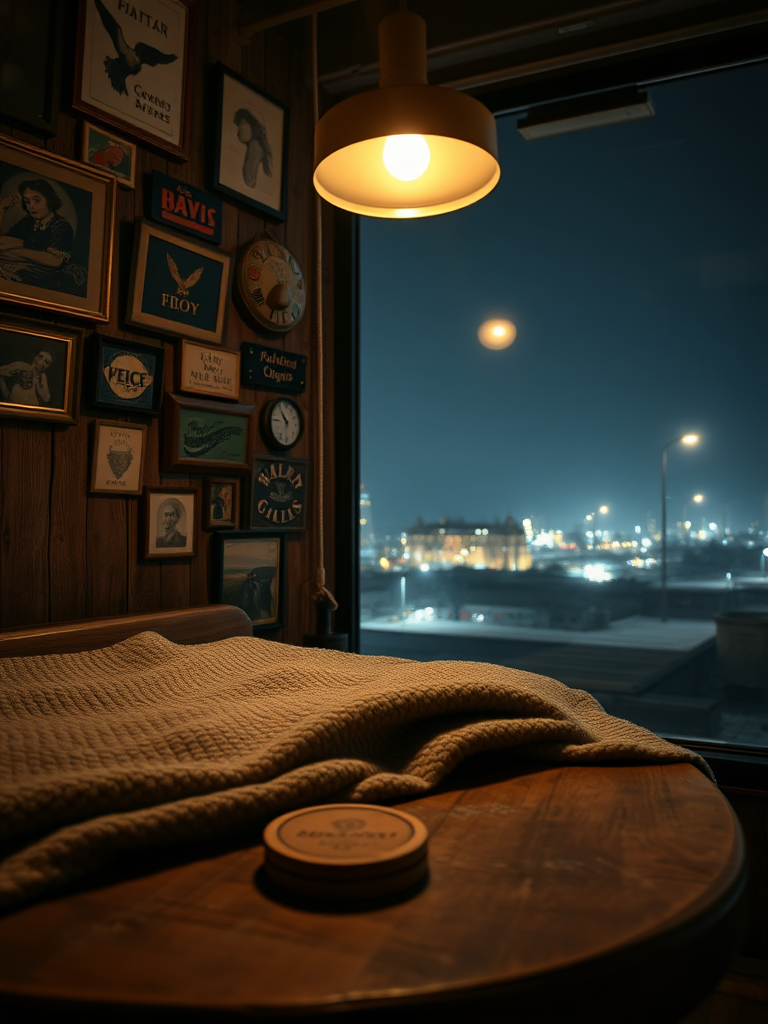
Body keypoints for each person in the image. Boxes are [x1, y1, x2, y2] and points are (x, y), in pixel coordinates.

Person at [0, 179, 86, 293]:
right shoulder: (28, 221)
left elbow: (55, 261)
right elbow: (4, 239)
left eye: (36, 200)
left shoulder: (61, 226)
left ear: (49, 200)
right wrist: (2, 210)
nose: (31, 206)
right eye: (27, 201)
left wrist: (15, 252)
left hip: (51, 275)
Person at [233, 108, 272, 188]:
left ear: (253, 125)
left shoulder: (255, 146)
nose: (239, 129)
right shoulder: (257, 146)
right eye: (239, 125)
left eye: (243, 124)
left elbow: (249, 181)